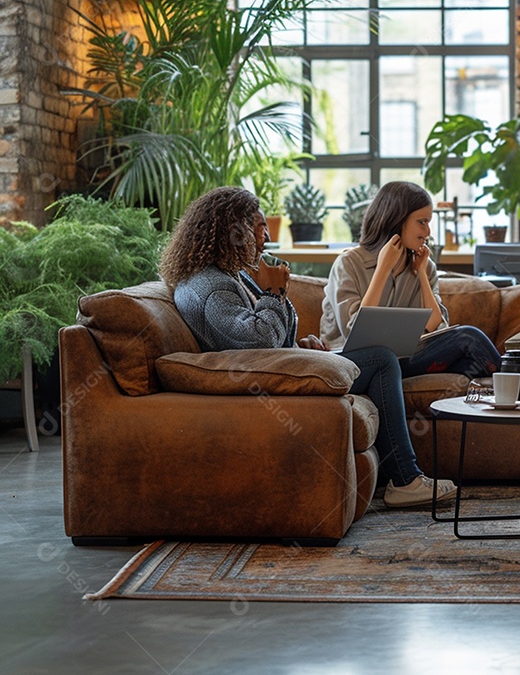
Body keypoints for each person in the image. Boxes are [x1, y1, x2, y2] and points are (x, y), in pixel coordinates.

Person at [161, 186, 456, 509]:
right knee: (383, 360)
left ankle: (400, 477)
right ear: (235, 232)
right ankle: (404, 479)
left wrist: (299, 345)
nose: (266, 238)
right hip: (265, 380)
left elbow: (257, 337)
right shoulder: (211, 286)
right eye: (260, 228)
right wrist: (274, 291)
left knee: (392, 360)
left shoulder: (228, 277)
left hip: (274, 368)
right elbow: (256, 340)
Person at [320, 181, 500, 380]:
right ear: (396, 220)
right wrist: (383, 268)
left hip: (404, 360)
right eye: (422, 222)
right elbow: (355, 334)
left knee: (472, 363)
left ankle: (517, 401)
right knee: (468, 337)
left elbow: (437, 327)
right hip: (358, 365)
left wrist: (422, 274)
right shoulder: (348, 264)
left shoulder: (424, 265)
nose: (428, 232)